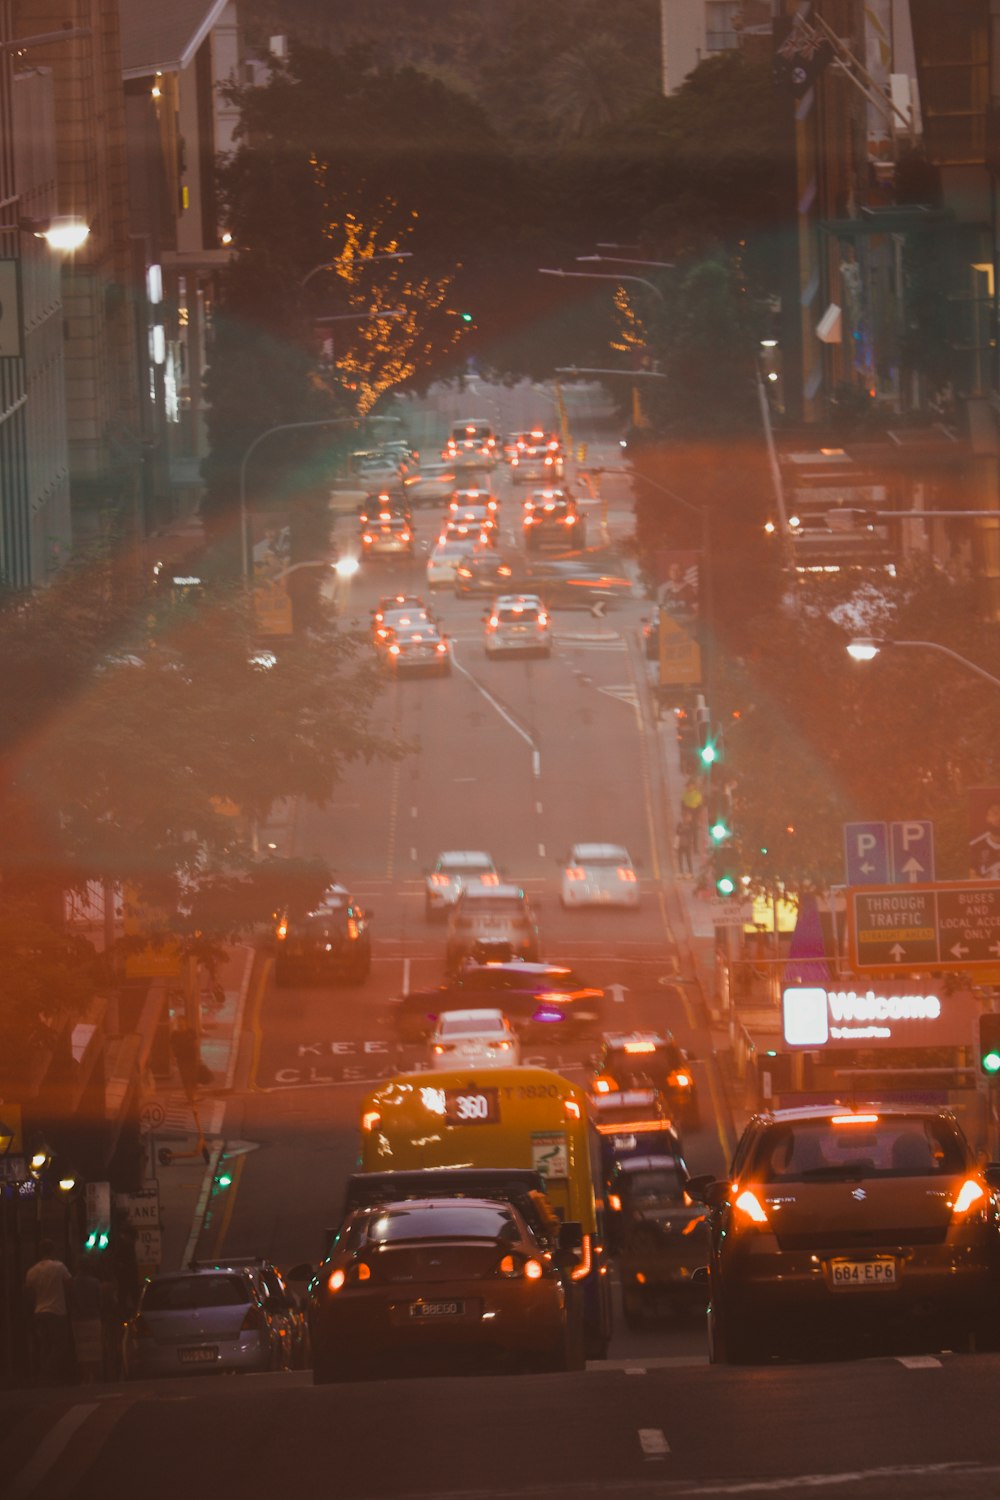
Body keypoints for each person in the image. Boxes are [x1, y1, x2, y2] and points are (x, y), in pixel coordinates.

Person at [24, 1239, 72, 1385]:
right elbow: (69, 1285)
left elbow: (27, 1292)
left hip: (39, 1311)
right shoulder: (59, 1267)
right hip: (57, 1311)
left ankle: (44, 1375)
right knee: (60, 1344)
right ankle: (47, 1373)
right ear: (52, 1251)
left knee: (45, 1344)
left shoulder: (32, 1271)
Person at [68, 1255, 104, 1382]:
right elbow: (100, 1301)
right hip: (93, 1317)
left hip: (78, 1319)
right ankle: (96, 1376)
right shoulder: (95, 1282)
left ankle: (85, 1376)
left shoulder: (72, 1283)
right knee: (95, 1347)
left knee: (81, 1349)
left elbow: (70, 1301)